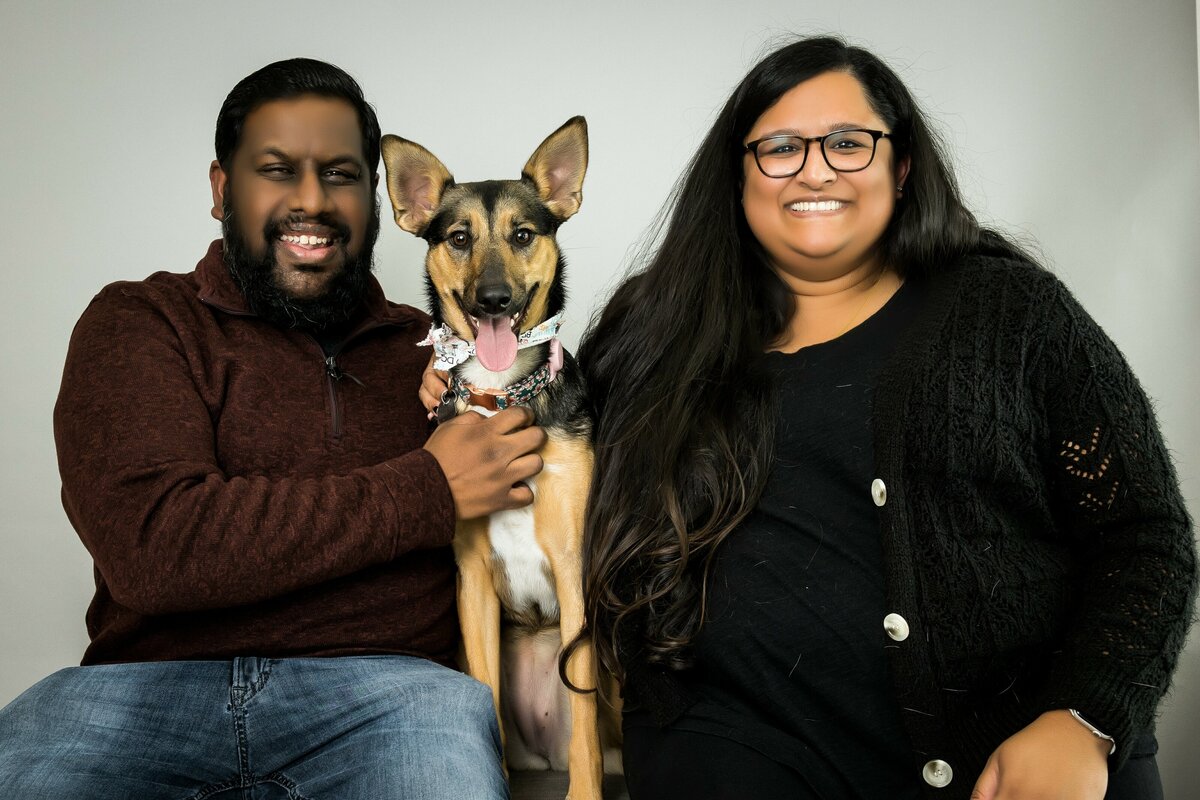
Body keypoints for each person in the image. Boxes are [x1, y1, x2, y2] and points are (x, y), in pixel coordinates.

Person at [571, 36, 1197, 800]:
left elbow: (1145, 536)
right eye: (780, 148)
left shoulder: (1014, 314)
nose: (815, 168)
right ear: (737, 175)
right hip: (748, 749)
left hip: (1022, 751)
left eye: (847, 143)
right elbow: (548, 439)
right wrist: (463, 385)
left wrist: (1082, 719)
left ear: (901, 169)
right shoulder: (651, 335)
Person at [0, 58, 545, 799]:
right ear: (223, 189)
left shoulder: (449, 354)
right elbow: (159, 548)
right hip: (143, 694)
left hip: (393, 696)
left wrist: (497, 407)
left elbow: (546, 518)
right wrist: (428, 487)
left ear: (380, 201)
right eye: (277, 169)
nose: (312, 201)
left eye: (342, 174)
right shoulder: (139, 322)